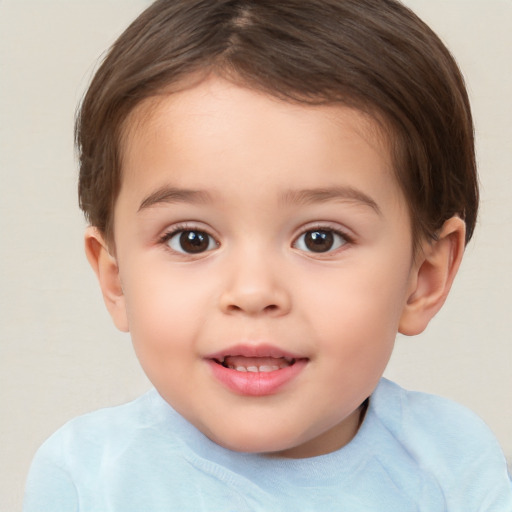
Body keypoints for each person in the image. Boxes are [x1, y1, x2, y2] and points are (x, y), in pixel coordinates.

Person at [24, 0, 512, 510]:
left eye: (320, 238)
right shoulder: (87, 477)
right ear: (116, 277)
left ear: (424, 277)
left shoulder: (453, 467)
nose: (253, 292)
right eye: (192, 239)